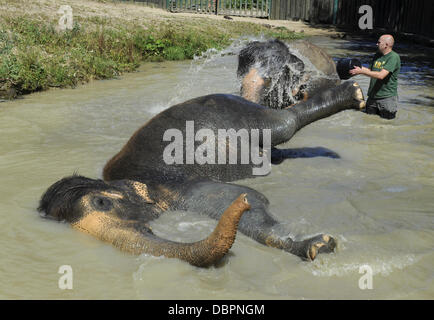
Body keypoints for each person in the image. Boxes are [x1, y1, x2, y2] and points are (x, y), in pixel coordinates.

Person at [350, 34, 401, 119]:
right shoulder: (377, 55)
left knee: (386, 126)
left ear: (386, 45)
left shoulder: (393, 57)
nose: (376, 44)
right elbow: (370, 71)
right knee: (369, 123)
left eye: (379, 42)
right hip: (372, 97)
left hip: (387, 99)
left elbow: (381, 75)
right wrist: (357, 69)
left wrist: (361, 71)